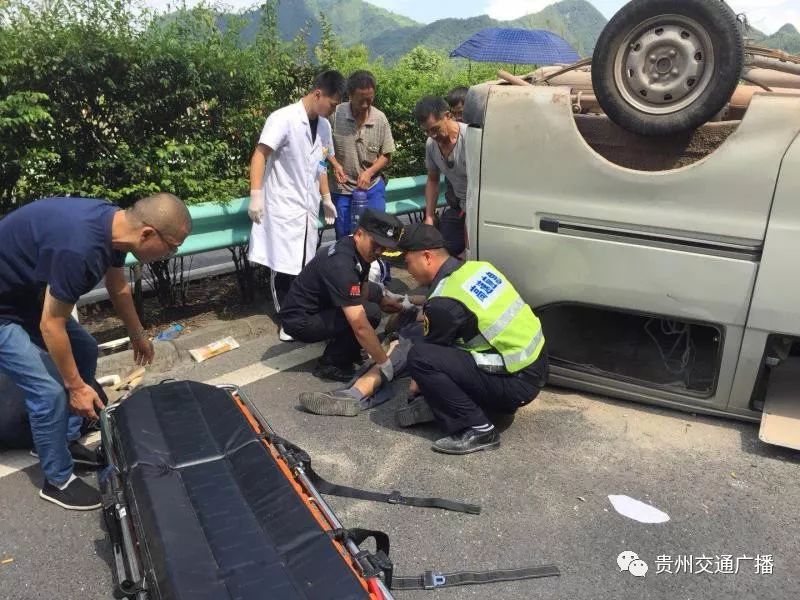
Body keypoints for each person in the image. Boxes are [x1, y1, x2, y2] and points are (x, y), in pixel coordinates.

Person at [0, 193, 192, 509]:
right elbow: (51, 326)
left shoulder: (115, 229)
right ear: (147, 234)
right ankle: (58, 480)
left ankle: (65, 437)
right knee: (49, 392)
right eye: (172, 246)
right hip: (5, 309)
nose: (171, 254)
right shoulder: (80, 248)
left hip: (22, 295)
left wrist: (137, 334)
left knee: (85, 349)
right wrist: (75, 387)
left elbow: (117, 287)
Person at [401, 223, 548, 454]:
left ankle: (479, 429)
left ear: (427, 257)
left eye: (407, 261)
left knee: (420, 358)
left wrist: (419, 388)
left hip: (515, 383)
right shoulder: (479, 269)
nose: (407, 269)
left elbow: (431, 354)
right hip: (536, 365)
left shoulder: (443, 301)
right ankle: (487, 405)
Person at [247, 70, 346, 324]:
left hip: (306, 207)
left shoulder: (323, 125)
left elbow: (321, 164)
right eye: (332, 104)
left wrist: (326, 197)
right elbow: (260, 155)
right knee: (282, 265)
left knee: (304, 265)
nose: (334, 111)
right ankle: (286, 319)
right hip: (282, 205)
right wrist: (256, 194)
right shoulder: (283, 118)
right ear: (318, 94)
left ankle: (301, 312)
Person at [279, 209, 404, 382]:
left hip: (320, 305)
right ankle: (330, 364)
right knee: (369, 314)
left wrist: (386, 302)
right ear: (360, 234)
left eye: (384, 248)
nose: (379, 252)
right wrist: (384, 363)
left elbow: (364, 289)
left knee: (374, 295)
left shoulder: (356, 247)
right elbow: (360, 326)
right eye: (376, 245)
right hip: (300, 321)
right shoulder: (341, 265)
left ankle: (350, 349)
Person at [329, 70, 396, 239]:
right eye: (361, 100)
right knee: (345, 236)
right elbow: (322, 146)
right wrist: (334, 163)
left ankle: (377, 266)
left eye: (370, 99)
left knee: (376, 234)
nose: (366, 105)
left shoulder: (380, 118)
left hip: (372, 187)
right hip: (343, 189)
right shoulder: (335, 115)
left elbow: (387, 154)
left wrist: (369, 172)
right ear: (350, 95)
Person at [415, 96, 468, 257]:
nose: (432, 135)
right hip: (460, 207)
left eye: (435, 129)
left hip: (481, 207)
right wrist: (429, 217)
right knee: (442, 248)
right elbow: (432, 180)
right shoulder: (431, 145)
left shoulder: (471, 137)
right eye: (427, 131)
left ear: (448, 116)